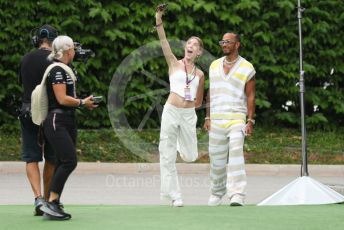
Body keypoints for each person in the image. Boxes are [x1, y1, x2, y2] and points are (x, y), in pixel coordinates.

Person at [39, 35, 97, 220]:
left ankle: (53, 202)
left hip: (66, 120)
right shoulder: (57, 69)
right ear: (66, 51)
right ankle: (51, 201)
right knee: (69, 161)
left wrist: (81, 102)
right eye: (73, 48)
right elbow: (62, 98)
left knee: (62, 161)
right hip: (57, 120)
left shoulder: (66, 68)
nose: (76, 51)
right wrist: (82, 102)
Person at [155, 5, 205, 207]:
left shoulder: (200, 74)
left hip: (188, 114)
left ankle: (177, 142)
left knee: (191, 155)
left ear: (199, 52)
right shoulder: (174, 63)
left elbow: (199, 100)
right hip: (171, 110)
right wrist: (158, 19)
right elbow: (163, 41)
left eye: (195, 44)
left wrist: (191, 108)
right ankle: (175, 196)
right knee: (166, 156)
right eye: (189, 43)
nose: (190, 45)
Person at [204, 32, 256, 206]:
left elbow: (251, 96)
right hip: (216, 119)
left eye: (228, 42)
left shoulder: (247, 67)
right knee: (216, 159)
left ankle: (237, 194)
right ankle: (217, 193)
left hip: (236, 118)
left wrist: (250, 121)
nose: (224, 44)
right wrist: (207, 116)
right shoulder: (214, 65)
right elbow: (210, 91)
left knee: (235, 153)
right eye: (222, 41)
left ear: (237, 44)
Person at [19, 24, 58, 216]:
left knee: (31, 156)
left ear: (38, 40)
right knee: (51, 157)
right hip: (50, 114)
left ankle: (37, 198)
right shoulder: (56, 60)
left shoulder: (26, 59)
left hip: (28, 112)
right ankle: (49, 199)